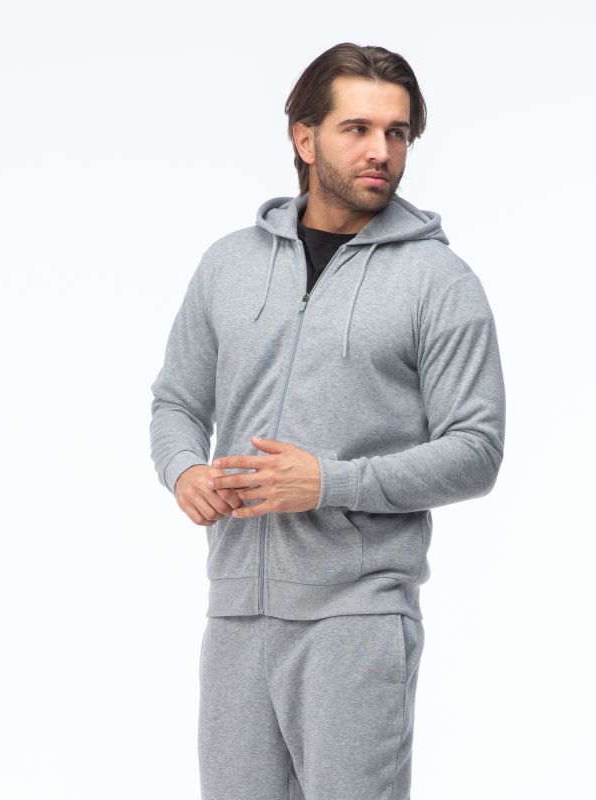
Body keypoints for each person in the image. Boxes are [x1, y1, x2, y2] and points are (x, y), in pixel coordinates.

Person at [149, 41, 506, 800]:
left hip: (357, 615)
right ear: (304, 139)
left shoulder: (439, 282)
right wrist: (184, 472)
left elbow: (476, 449)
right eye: (358, 129)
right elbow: (177, 399)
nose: (382, 151)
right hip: (236, 610)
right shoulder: (228, 264)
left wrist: (329, 482)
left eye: (397, 133)